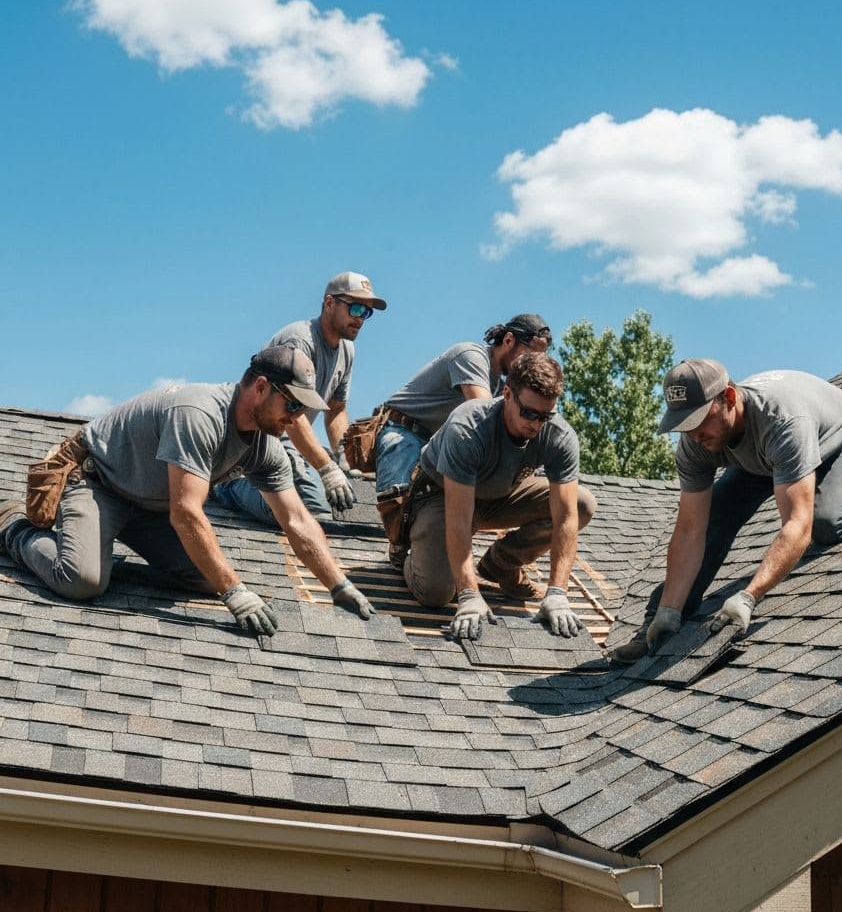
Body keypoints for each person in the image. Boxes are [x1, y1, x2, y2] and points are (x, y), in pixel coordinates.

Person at [0, 346, 376, 637]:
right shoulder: (199, 415)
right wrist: (236, 594)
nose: (295, 418)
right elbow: (186, 513)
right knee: (81, 581)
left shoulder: (265, 447)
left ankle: (98, 554)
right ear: (261, 388)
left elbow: (297, 520)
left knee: (203, 578)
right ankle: (14, 526)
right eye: (292, 403)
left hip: (151, 505)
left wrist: (339, 585)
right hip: (102, 484)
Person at [610, 360, 842, 663]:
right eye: (684, 424)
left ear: (729, 398)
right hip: (759, 459)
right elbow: (691, 530)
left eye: (699, 419)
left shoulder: (783, 421)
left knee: (825, 525)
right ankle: (653, 624)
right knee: (712, 524)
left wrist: (749, 596)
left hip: (828, 440)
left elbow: (797, 523)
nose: (693, 434)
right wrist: (668, 611)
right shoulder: (696, 442)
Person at [402, 352, 597, 641]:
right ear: (507, 394)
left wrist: (557, 593)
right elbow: (458, 519)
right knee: (436, 593)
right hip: (443, 497)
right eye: (529, 413)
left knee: (582, 504)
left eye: (545, 416)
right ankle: (408, 554)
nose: (536, 424)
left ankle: (500, 563)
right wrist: (468, 595)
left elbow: (566, 516)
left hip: (500, 495)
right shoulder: (468, 428)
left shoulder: (558, 435)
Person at [374, 314, 553, 564]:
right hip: (406, 432)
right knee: (402, 502)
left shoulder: (501, 383)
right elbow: (485, 416)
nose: (533, 364)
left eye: (539, 359)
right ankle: (400, 543)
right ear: (509, 340)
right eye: (529, 355)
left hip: (439, 445)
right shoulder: (470, 356)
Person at [214, 271, 387, 526]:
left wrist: (345, 458)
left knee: (330, 506)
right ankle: (226, 485)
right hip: (261, 437)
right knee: (304, 511)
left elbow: (336, 409)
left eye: (367, 312)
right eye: (356, 308)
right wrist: (327, 469)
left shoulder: (347, 350)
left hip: (289, 441)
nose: (360, 318)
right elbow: (289, 411)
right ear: (329, 303)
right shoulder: (299, 341)